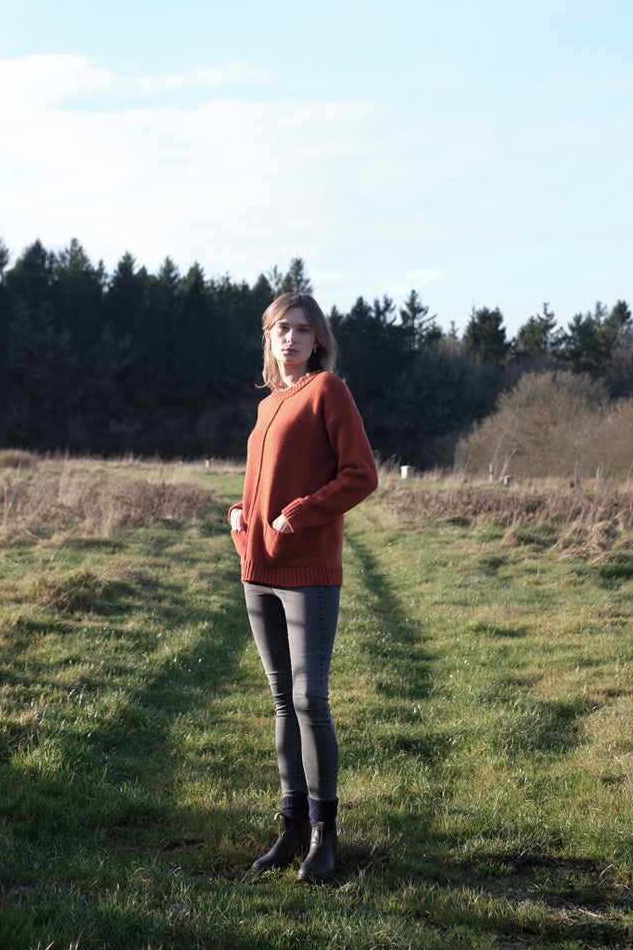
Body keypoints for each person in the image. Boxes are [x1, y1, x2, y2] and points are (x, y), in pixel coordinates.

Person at [229, 292, 378, 882]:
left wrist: (301, 512)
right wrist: (241, 515)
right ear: (267, 338)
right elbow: (261, 481)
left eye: (301, 329)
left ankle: (324, 835)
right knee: (282, 700)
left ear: (318, 340)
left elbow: (361, 475)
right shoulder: (268, 405)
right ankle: (290, 828)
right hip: (258, 572)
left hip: (308, 572)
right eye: (280, 329)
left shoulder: (327, 391)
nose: (289, 338)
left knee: (310, 698)